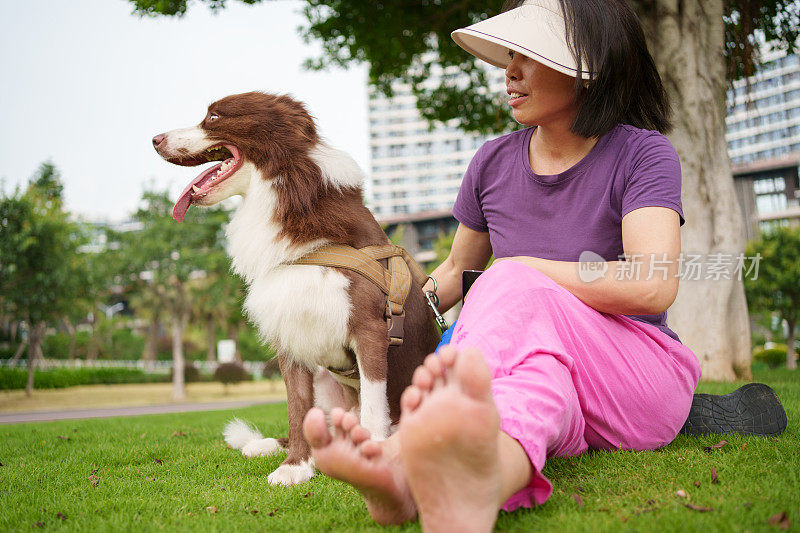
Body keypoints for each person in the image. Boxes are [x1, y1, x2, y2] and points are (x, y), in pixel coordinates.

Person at [301, 1, 781, 531]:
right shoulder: (492, 162)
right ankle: (461, 487)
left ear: (589, 65)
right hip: (549, 373)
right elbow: (459, 268)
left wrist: (526, 268)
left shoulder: (643, 154)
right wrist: (390, 321)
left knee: (510, 280)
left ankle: (406, 449)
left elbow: (651, 284)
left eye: (528, 56)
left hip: (637, 381)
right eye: (509, 55)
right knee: (530, 387)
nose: (510, 72)